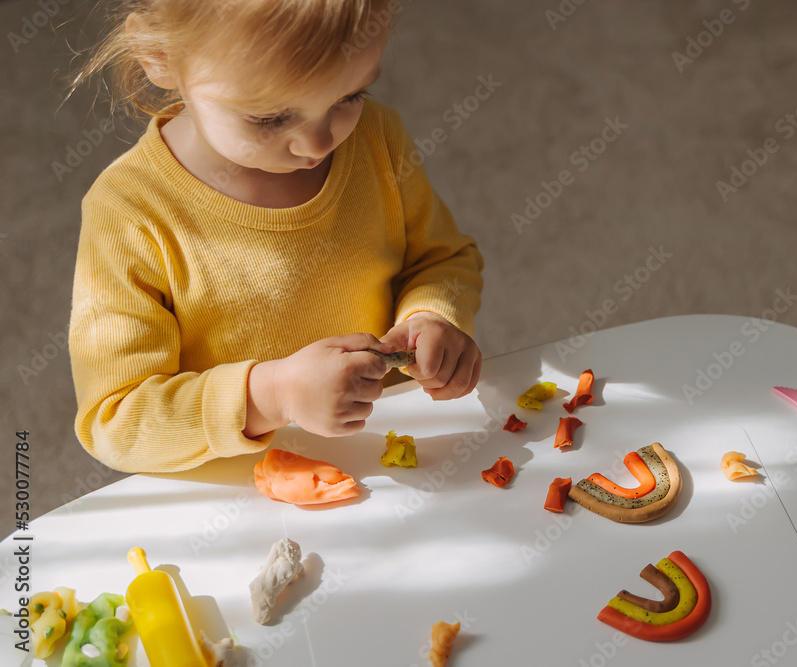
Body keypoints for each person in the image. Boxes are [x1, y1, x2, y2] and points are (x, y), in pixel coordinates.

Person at [66, 0, 484, 473]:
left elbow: (441, 260)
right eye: (269, 118)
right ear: (159, 54)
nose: (318, 142)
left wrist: (434, 317)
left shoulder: (377, 139)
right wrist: (272, 395)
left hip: (385, 459)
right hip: (244, 499)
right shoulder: (130, 214)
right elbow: (116, 421)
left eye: (350, 96)